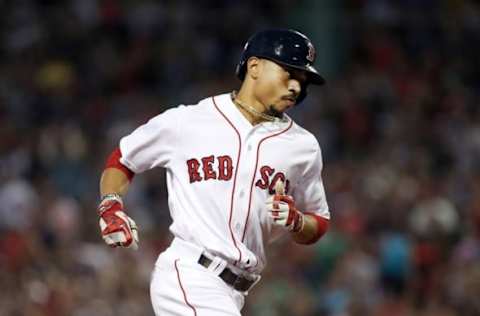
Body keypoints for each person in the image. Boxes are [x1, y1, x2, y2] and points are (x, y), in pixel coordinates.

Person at [97, 28, 331, 316]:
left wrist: (297, 222)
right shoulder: (190, 121)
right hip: (190, 274)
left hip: (235, 292)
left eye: (303, 79)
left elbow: (319, 220)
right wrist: (111, 204)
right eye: (289, 73)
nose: (296, 86)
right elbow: (124, 157)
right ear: (254, 66)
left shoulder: (303, 147)